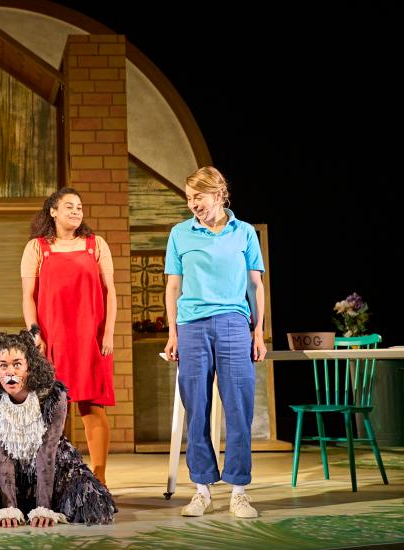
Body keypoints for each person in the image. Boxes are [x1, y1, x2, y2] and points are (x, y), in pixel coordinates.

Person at [162, 166, 266, 519]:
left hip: (235, 324)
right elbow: (173, 287)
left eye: (199, 197)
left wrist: (258, 330)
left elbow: (255, 286)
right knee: (197, 409)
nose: (193, 204)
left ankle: (239, 490)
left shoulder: (245, 233)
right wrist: (173, 333)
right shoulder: (180, 234)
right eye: (189, 198)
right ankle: (202, 489)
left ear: (219, 195)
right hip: (191, 326)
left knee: (239, 405)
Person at [0, 326, 116, 526]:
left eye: (17, 364)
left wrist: (44, 508)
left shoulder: (54, 396)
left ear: (29, 366)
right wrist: (9, 509)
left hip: (47, 461)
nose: (10, 372)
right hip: (2, 460)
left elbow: (47, 451)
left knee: (90, 501)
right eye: (3, 365)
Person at [20, 187, 116, 486]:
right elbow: (28, 296)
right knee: (51, 409)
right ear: (53, 211)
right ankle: (51, 477)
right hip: (53, 337)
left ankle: (99, 477)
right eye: (69, 207)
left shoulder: (95, 244)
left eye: (80, 207)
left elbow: (110, 291)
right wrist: (35, 333)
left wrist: (109, 331)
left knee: (92, 407)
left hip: (91, 337)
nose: (76, 212)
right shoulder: (37, 248)